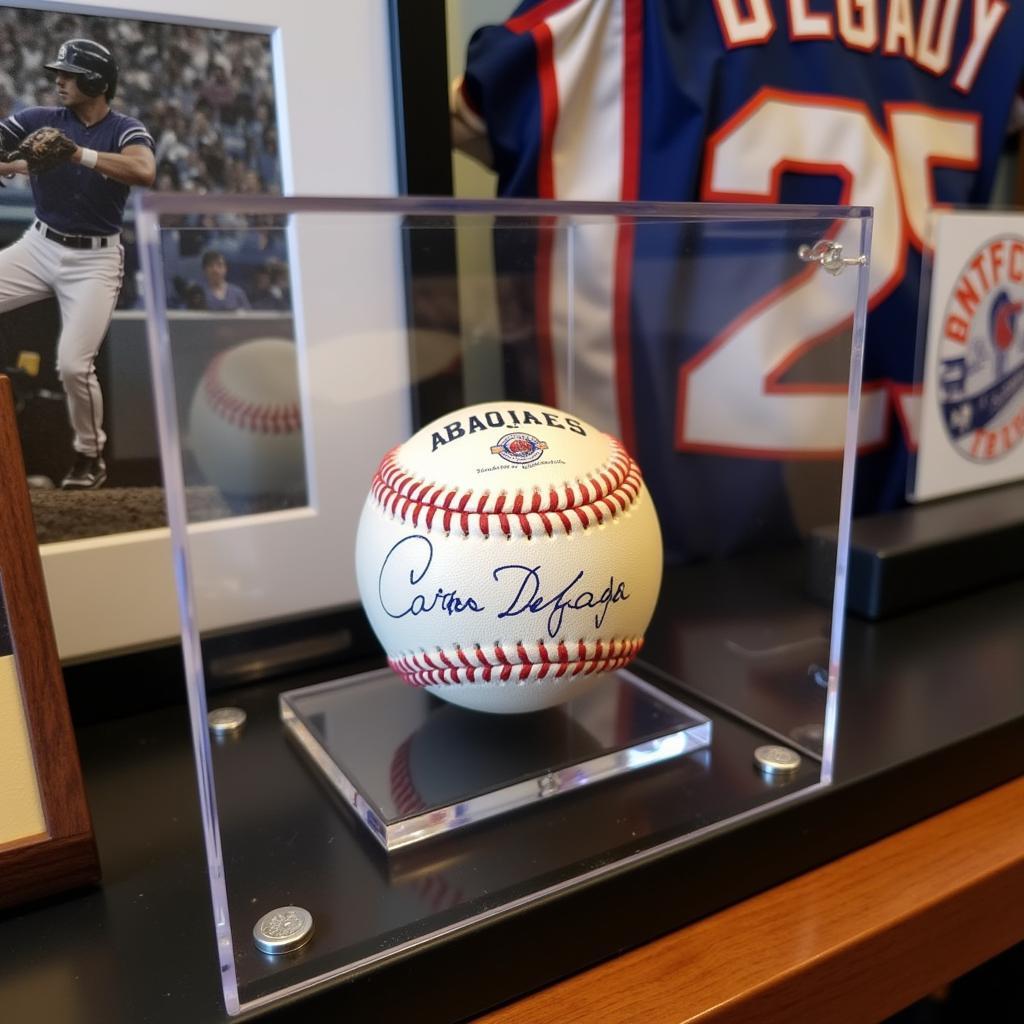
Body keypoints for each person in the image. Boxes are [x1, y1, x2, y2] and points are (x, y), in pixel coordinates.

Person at [452, 2, 1024, 559]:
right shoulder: (991, 21)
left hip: (653, 546)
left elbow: (471, 107)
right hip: (894, 540)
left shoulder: (615, 16)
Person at [0, 38, 155, 489]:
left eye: (68, 74)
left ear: (95, 81)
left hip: (95, 260)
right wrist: (15, 165)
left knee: (72, 364)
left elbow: (144, 171)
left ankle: (90, 456)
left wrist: (76, 154)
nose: (58, 80)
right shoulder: (38, 119)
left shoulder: (125, 128)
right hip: (39, 245)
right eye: (59, 73)